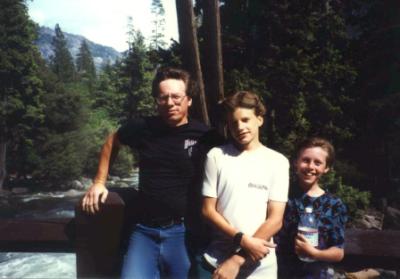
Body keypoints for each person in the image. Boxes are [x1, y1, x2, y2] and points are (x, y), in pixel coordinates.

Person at [81, 67, 220, 279]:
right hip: (143, 231)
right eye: (163, 98)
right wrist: (100, 181)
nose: (170, 103)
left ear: (189, 100)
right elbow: (113, 141)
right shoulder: (143, 127)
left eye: (176, 97)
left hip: (183, 232)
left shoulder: (204, 136)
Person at [201, 91, 290, 279]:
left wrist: (237, 259)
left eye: (245, 120)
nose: (240, 127)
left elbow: (275, 220)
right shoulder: (216, 156)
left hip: (261, 264)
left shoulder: (278, 162)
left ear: (259, 119)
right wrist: (241, 239)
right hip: (217, 261)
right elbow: (208, 211)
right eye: (233, 123)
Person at [277, 137, 348, 279]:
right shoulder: (280, 195)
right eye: (305, 160)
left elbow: (338, 252)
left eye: (318, 162)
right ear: (296, 162)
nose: (310, 167)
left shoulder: (333, 204)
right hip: (280, 273)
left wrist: (314, 254)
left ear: (326, 168)